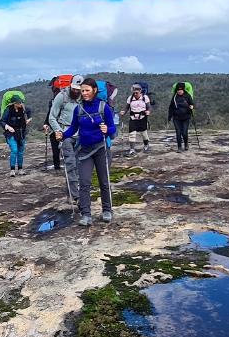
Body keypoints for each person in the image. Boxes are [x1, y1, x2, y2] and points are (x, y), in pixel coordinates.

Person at [61, 78, 118, 226]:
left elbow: (113, 129)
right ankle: (86, 215)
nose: (84, 93)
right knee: (84, 182)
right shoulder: (78, 109)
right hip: (84, 151)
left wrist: (108, 129)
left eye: (87, 90)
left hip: (101, 149)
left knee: (104, 182)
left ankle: (107, 210)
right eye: (82, 91)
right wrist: (62, 134)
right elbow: (73, 129)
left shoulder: (103, 107)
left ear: (94, 90)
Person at [47, 75, 84, 203]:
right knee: (70, 164)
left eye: (78, 89)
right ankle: (75, 196)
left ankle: (72, 193)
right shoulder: (61, 96)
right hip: (66, 135)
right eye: (74, 88)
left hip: (81, 135)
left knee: (80, 165)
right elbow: (52, 117)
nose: (76, 91)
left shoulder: (84, 97)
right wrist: (58, 131)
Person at [1, 96, 31, 177]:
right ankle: (12, 170)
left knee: (21, 151)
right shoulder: (8, 110)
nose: (20, 104)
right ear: (14, 103)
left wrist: (29, 119)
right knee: (14, 150)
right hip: (11, 132)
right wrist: (8, 127)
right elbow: (2, 121)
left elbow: (30, 112)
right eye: (19, 103)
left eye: (21, 102)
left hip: (21, 132)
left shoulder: (24, 109)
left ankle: (20, 169)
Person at [122, 84, 152, 154]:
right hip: (133, 117)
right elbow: (127, 107)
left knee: (143, 133)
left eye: (136, 93)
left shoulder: (145, 97)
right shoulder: (130, 98)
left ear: (140, 91)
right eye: (134, 92)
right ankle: (132, 149)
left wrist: (148, 111)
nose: (135, 94)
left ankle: (146, 145)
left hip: (143, 117)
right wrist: (124, 112)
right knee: (132, 133)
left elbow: (149, 107)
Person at [168, 82, 195, 152]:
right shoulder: (174, 97)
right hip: (176, 118)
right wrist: (169, 117)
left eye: (180, 90)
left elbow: (192, 103)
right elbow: (171, 107)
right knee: (178, 132)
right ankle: (179, 147)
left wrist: (192, 106)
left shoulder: (188, 96)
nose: (179, 91)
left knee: (184, 133)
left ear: (183, 90)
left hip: (186, 117)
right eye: (178, 90)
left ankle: (186, 144)